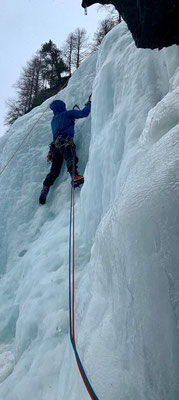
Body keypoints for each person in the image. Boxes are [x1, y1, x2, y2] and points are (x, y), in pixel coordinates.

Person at [39, 96, 91, 204]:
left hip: (55, 147)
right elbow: (84, 113)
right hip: (65, 142)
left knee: (54, 171)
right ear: (62, 107)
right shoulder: (67, 114)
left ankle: (46, 187)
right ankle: (75, 176)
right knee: (70, 158)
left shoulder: (53, 120)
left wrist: (50, 152)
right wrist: (88, 104)